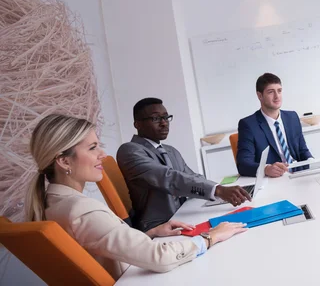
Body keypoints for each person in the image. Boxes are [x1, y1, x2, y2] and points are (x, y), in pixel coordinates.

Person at [25, 114, 247, 280]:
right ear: (64, 161)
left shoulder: (53, 202)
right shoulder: (81, 210)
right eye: (93, 148)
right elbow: (158, 258)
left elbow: (101, 244)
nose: (102, 154)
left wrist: (149, 233)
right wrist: (210, 237)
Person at [117, 98, 251, 232]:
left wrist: (220, 190)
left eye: (166, 117)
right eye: (156, 119)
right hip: (160, 226)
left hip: (184, 214)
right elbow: (168, 178)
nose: (164, 123)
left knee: (238, 221)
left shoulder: (170, 151)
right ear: (137, 124)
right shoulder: (129, 151)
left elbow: (191, 176)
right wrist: (218, 190)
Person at [236, 73, 313, 177]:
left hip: (299, 174)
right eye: (271, 92)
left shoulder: (292, 117)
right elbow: (243, 164)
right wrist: (266, 169)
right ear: (260, 96)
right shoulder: (248, 125)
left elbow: (302, 150)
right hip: (275, 179)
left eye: (279, 91)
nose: (277, 96)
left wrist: (312, 162)